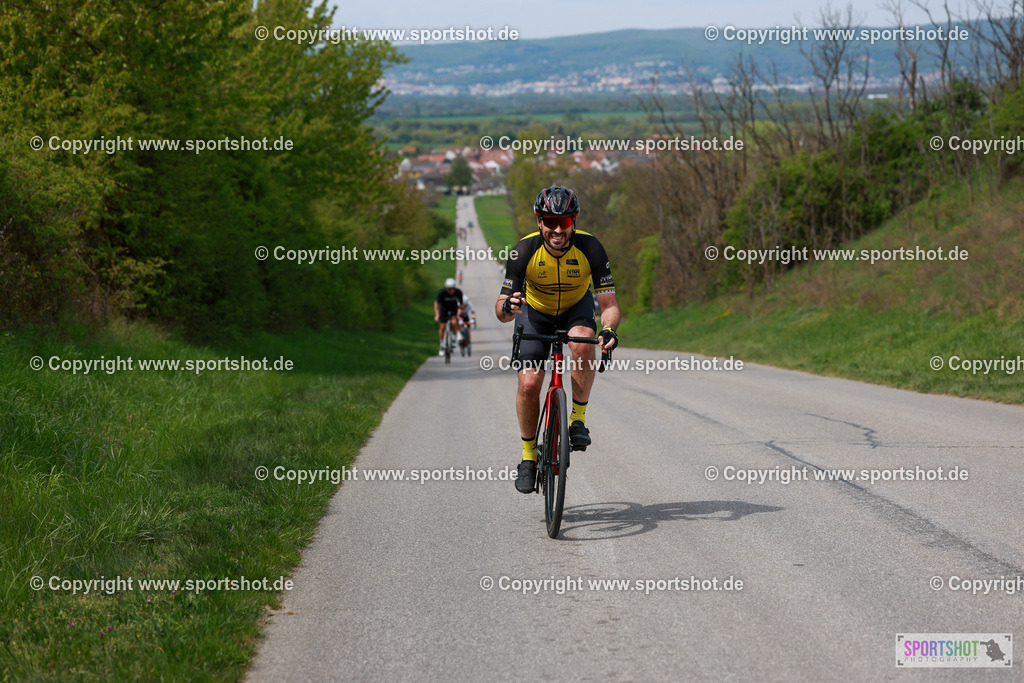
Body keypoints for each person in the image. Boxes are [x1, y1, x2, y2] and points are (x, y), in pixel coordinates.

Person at [494, 186, 620, 494]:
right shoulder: (523, 251)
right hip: (534, 313)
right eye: (550, 221)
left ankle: (577, 419)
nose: (557, 229)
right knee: (529, 383)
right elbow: (500, 309)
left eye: (564, 221)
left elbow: (609, 305)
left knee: (582, 341)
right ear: (539, 221)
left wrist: (609, 330)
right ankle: (527, 457)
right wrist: (508, 308)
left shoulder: (591, 248)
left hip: (576, 309)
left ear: (574, 221)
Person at [435, 278, 463, 356]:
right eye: (449, 289)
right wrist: (437, 315)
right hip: (444, 309)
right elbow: (436, 303)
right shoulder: (442, 292)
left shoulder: (458, 292)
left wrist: (458, 315)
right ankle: (442, 344)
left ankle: (454, 338)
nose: (451, 291)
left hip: (454, 309)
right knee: (442, 326)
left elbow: (460, 306)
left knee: (454, 322)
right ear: (446, 288)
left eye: (452, 289)